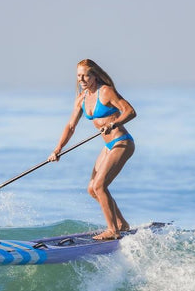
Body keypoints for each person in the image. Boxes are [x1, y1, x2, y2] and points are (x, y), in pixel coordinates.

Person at [48, 59, 136, 240]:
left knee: (99, 185)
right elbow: (71, 126)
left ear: (94, 76)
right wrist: (57, 149)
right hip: (108, 146)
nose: (81, 79)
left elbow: (130, 111)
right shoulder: (81, 99)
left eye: (86, 75)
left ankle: (113, 231)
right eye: (79, 76)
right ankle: (121, 224)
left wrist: (114, 123)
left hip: (122, 142)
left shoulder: (106, 92)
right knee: (92, 188)